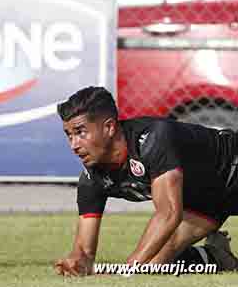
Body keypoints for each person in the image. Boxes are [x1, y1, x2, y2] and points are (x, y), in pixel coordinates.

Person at [54, 86, 238, 276]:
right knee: (151, 263)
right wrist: (77, 261)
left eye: (80, 132)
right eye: (69, 135)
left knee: (140, 263)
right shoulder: (92, 178)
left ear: (109, 127)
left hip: (233, 169)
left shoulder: (153, 139)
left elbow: (168, 214)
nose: (74, 145)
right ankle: (216, 256)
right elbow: (84, 252)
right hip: (205, 201)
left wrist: (126, 271)